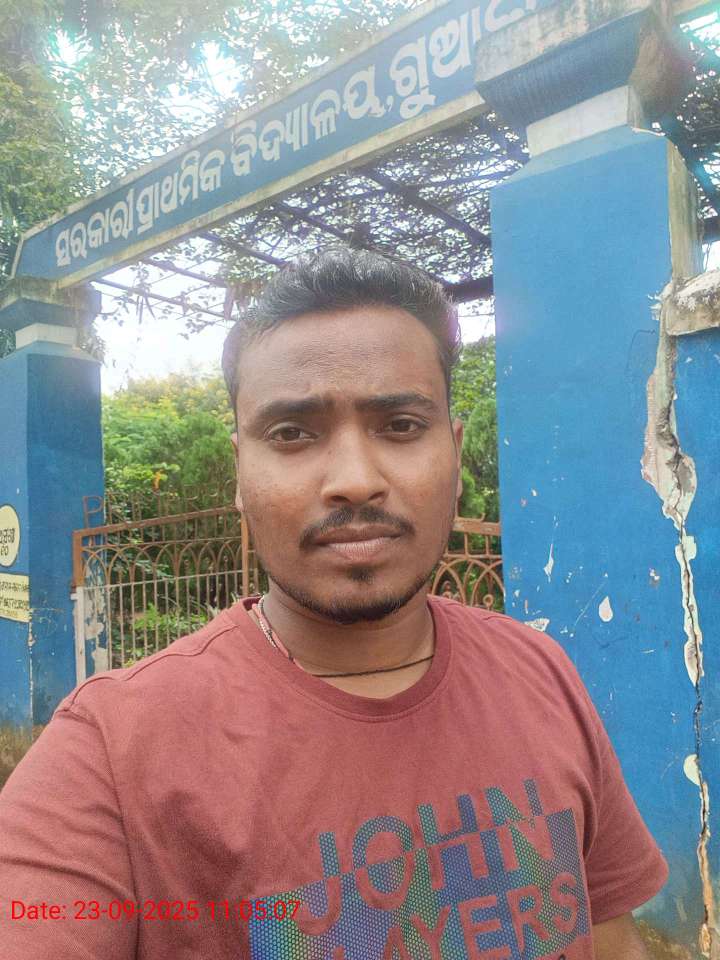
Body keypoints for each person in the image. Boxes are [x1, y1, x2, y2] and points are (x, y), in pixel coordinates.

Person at [0, 247, 667, 959]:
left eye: (401, 425)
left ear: (454, 452)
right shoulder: (110, 753)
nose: (354, 479)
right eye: (292, 434)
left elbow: (612, 939)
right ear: (239, 472)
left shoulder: (539, 670)